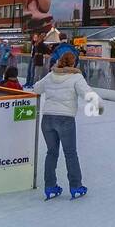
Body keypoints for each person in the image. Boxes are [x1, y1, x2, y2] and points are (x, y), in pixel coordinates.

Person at [31, 51, 100, 199]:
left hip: (48, 118)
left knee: (51, 153)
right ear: (74, 63)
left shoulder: (51, 75)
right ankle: (76, 186)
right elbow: (87, 93)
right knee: (70, 153)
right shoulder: (76, 77)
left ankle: (50, 186)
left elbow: (36, 88)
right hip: (65, 119)